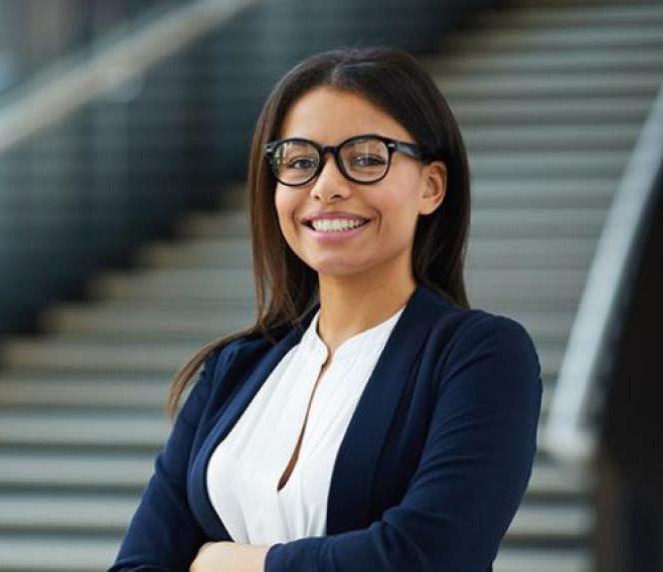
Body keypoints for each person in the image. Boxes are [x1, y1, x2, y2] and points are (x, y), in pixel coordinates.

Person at [109, 46, 543, 572]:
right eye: (298, 161)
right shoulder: (235, 369)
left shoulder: (479, 357)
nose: (326, 186)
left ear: (431, 186)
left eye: (365, 158)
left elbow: (425, 557)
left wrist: (235, 564)